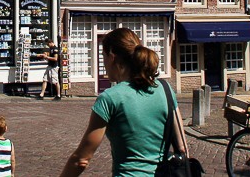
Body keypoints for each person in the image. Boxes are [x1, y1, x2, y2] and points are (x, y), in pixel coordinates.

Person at [60, 28, 186, 176]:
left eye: (103, 57)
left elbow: (81, 159)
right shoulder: (165, 89)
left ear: (112, 57)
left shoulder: (110, 98)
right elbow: (182, 147)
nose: (104, 63)